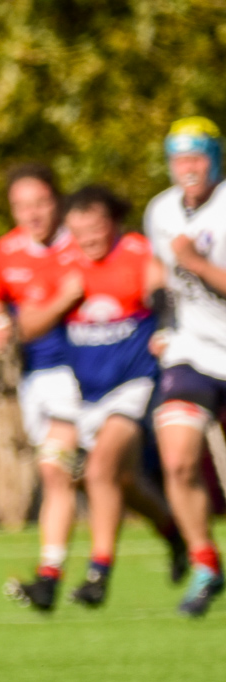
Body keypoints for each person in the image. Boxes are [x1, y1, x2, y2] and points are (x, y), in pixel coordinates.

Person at [19, 185, 168, 606]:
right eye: (79, 230)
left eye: (96, 228)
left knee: (100, 469)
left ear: (114, 223)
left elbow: (160, 289)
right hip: (84, 396)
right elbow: (27, 327)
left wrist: (163, 319)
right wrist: (64, 299)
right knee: (110, 479)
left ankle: (97, 575)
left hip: (134, 386)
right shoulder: (64, 266)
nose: (88, 238)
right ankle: (172, 532)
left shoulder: (136, 251)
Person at [0, 165, 82, 611]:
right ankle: (179, 539)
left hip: (85, 374)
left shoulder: (82, 242)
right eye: (22, 206)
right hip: (35, 377)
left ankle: (49, 578)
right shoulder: (5, 250)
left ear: (57, 201)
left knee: (55, 470)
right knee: (108, 478)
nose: (33, 213)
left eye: (41, 202)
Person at [147, 117, 226, 616]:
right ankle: (205, 563)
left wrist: (196, 264)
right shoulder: (160, 210)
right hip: (190, 351)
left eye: (197, 157)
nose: (188, 168)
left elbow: (189, 264)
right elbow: (157, 266)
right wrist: (157, 314)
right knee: (177, 459)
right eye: (179, 158)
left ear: (215, 159)